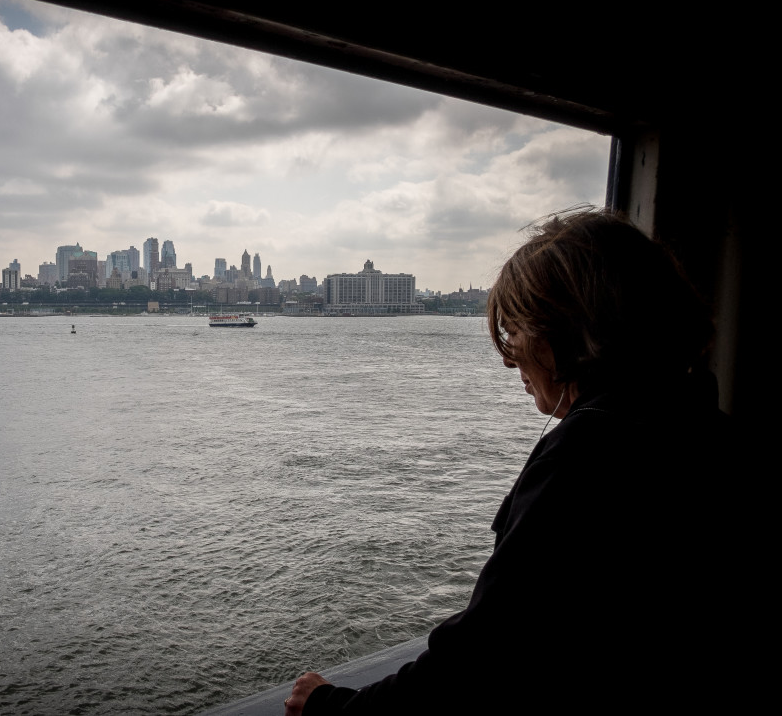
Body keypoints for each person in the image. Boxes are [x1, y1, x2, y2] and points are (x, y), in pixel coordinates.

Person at [285, 208, 743, 714]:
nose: (509, 357)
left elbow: (482, 661)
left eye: (517, 328)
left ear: (568, 330)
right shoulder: (702, 424)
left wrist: (329, 706)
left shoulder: (590, 453)